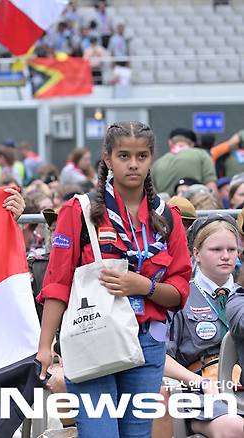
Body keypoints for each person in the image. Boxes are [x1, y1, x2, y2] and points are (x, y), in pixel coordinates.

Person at [36, 121, 192, 437]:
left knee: (138, 434)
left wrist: (144, 286)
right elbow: (57, 283)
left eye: (141, 156)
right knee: (98, 432)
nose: (133, 164)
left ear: (151, 158)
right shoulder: (78, 211)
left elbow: (179, 289)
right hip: (92, 335)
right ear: (107, 158)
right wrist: (44, 345)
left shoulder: (167, 216)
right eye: (123, 156)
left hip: (148, 341)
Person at [161, 214, 244, 438]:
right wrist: (200, 382)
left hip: (240, 386)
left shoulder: (241, 296)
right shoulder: (179, 297)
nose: (226, 256)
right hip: (202, 392)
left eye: (232, 249)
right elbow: (159, 356)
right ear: (196, 254)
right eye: (216, 250)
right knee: (235, 427)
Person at [151, 128, 217, 195]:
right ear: (192, 144)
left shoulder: (157, 163)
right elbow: (211, 187)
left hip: (167, 204)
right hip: (195, 204)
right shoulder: (202, 155)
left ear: (170, 142)